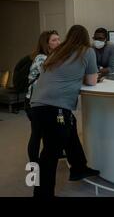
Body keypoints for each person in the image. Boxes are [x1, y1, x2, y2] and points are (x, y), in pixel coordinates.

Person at [30, 25, 100, 197]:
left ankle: (78, 167)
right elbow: (92, 81)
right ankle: (43, 194)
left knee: (70, 128)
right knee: (50, 154)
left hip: (37, 104)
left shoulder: (58, 51)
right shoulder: (87, 51)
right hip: (56, 107)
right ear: (85, 38)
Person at [26, 30, 61, 163]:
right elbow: (53, 76)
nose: (58, 42)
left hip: (44, 100)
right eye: (54, 40)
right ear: (46, 44)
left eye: (58, 39)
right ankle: (34, 164)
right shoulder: (42, 58)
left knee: (44, 133)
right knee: (37, 134)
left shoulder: (51, 57)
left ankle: (46, 160)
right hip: (35, 101)